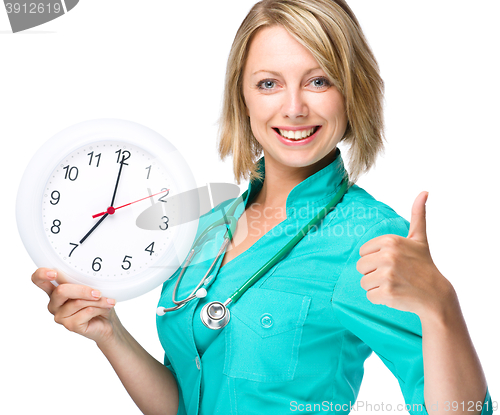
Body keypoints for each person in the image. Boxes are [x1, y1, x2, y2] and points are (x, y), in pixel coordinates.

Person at [31, 1, 493, 414]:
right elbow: (185, 402)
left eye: (319, 80)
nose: (293, 107)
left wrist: (441, 306)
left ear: (352, 93)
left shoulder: (370, 238)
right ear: (243, 98)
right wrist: (108, 331)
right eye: (269, 83)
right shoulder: (208, 225)